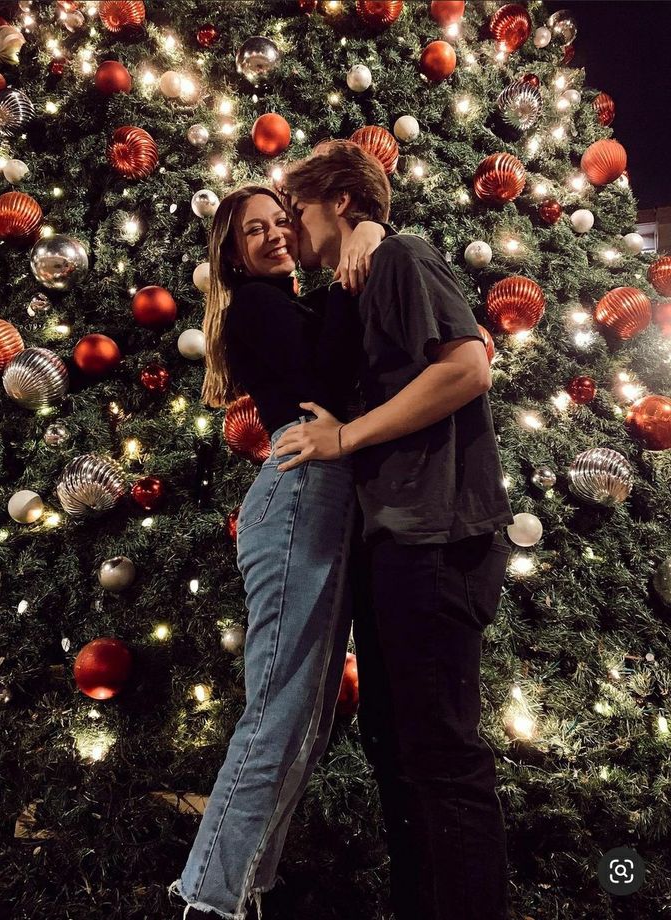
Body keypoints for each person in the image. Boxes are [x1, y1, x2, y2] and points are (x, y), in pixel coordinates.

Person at [273, 140, 515, 920]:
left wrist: (344, 438)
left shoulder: (403, 255)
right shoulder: (363, 272)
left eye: (299, 210)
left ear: (340, 201)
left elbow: (469, 366)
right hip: (400, 540)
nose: (291, 229)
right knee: (396, 745)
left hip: (437, 539)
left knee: (439, 754)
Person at [167, 182, 389, 920]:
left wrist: (361, 241)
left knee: (306, 716)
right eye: (252, 231)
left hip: (316, 498)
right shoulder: (258, 307)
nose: (273, 236)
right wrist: (357, 262)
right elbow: (325, 384)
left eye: (279, 223)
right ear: (232, 253)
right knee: (279, 710)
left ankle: (249, 886)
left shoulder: (293, 303)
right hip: (298, 497)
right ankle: (207, 897)